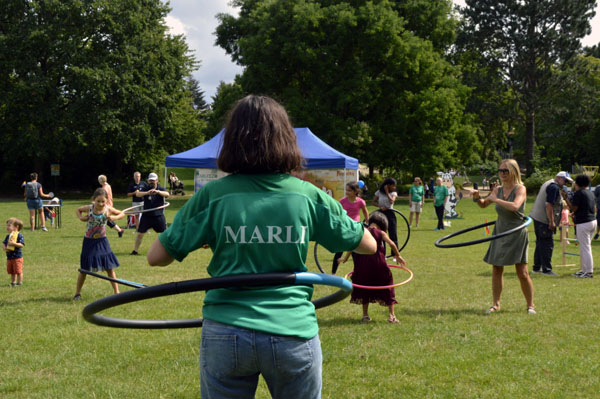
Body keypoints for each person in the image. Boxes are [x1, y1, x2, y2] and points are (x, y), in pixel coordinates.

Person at [146, 95, 376, 399]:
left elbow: (155, 257)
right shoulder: (307, 195)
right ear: (286, 139)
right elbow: (369, 245)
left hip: (227, 331)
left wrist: (213, 233)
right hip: (291, 331)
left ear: (231, 141)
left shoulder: (213, 195)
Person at [473, 159, 535, 314]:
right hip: (500, 231)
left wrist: (496, 199)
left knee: (522, 272)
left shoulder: (520, 189)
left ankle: (530, 305)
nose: (502, 174)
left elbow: (515, 206)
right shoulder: (497, 190)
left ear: (514, 172)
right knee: (496, 268)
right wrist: (476, 198)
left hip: (516, 232)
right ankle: (496, 304)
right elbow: (483, 204)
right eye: (500, 171)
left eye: (505, 171)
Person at [338, 212, 405, 323]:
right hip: (379, 266)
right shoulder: (381, 233)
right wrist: (397, 256)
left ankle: (365, 315)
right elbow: (392, 244)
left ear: (369, 222)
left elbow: (352, 247)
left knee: (364, 287)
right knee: (388, 287)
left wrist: (344, 259)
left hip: (362, 267)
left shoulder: (361, 232)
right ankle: (392, 315)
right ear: (383, 225)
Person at [73, 188, 125, 299]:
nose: (101, 204)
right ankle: (77, 293)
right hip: (89, 241)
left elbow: (122, 214)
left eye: (103, 201)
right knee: (84, 269)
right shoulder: (90, 208)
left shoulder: (107, 209)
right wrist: (81, 218)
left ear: (106, 201)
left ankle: (117, 293)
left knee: (109, 267)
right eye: (98, 201)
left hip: (102, 241)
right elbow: (78, 210)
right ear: (94, 200)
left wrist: (114, 217)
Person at [529, 171, 573, 276]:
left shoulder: (548, 183)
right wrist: (551, 222)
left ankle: (537, 268)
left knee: (540, 243)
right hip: (544, 220)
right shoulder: (554, 187)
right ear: (558, 178)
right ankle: (547, 270)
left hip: (537, 217)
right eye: (565, 181)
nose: (566, 184)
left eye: (567, 182)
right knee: (547, 244)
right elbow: (549, 205)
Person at [331, 181, 369, 274]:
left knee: (355, 253)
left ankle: (358, 273)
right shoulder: (342, 201)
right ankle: (333, 273)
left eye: (349, 190)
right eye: (346, 190)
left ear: (356, 191)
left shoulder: (360, 202)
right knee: (339, 251)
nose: (347, 192)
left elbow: (365, 211)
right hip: (345, 228)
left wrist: (368, 221)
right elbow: (338, 213)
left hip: (355, 228)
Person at [563, 174, 597, 278]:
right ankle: (584, 269)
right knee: (585, 247)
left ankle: (588, 271)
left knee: (585, 248)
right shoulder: (590, 193)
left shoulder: (579, 193)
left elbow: (574, 208)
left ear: (577, 183)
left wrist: (566, 199)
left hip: (584, 223)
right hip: (592, 221)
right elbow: (592, 208)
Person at [131, 173, 169, 255]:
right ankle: (135, 251)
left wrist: (158, 192)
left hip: (158, 215)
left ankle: (167, 250)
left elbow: (167, 194)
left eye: (154, 180)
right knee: (140, 234)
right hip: (146, 216)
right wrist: (147, 193)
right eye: (150, 180)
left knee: (164, 234)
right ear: (148, 181)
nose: (152, 182)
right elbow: (137, 194)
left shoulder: (160, 188)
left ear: (157, 180)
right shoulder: (145, 188)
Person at [373, 178, 399, 257]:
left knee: (393, 234)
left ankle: (394, 254)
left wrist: (387, 192)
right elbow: (373, 202)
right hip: (381, 214)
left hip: (390, 213)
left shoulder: (393, 193)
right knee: (381, 234)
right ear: (388, 185)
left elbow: (391, 201)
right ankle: (382, 254)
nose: (394, 187)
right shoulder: (379, 192)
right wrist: (380, 206)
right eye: (393, 186)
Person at [3, 218, 25, 287]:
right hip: (9, 257)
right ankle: (13, 282)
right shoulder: (8, 236)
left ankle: (19, 282)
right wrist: (4, 248)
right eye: (7, 225)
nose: (7, 227)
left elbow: (21, 245)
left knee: (18, 271)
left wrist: (14, 244)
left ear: (16, 227)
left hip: (17, 257)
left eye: (9, 225)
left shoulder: (19, 235)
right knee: (12, 271)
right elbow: (4, 243)